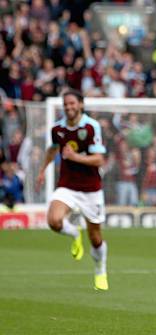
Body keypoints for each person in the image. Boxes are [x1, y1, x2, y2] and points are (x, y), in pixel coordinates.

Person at [36, 89, 109, 290]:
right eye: (66, 104)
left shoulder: (91, 127)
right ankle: (75, 233)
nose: (69, 107)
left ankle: (100, 270)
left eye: (72, 103)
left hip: (91, 189)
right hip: (67, 186)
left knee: (95, 238)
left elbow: (99, 159)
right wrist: (42, 170)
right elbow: (52, 149)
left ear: (81, 105)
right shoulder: (57, 129)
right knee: (53, 220)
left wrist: (75, 157)